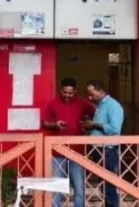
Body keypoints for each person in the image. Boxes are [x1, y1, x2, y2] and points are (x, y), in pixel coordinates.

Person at [42, 77, 95, 207]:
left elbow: (97, 113)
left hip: (77, 151)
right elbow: (44, 122)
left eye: (70, 93)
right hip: (57, 151)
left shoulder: (82, 103)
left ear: (75, 91)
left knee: (79, 186)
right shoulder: (52, 103)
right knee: (56, 186)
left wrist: (88, 125)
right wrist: (55, 125)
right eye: (65, 92)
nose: (67, 95)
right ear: (60, 90)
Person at [80, 80, 124, 207]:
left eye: (92, 94)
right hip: (99, 150)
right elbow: (100, 127)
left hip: (108, 150)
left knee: (109, 187)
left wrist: (94, 124)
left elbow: (115, 129)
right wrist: (89, 127)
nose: (90, 97)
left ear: (100, 91)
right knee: (104, 186)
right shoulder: (100, 106)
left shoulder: (113, 105)